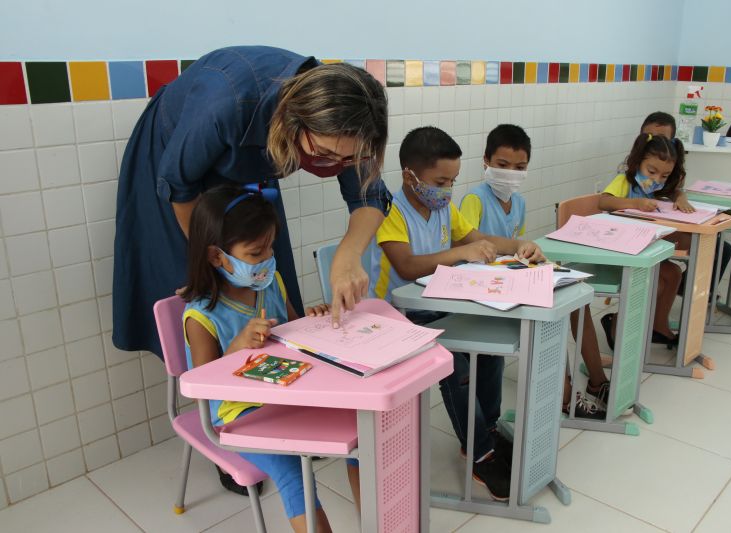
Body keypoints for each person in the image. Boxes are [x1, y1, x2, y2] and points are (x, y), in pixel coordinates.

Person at [113, 46, 391, 363]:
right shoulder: (227, 104)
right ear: (292, 120)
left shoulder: (354, 116)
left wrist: (348, 256)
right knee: (209, 298)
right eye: (324, 153)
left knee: (261, 275)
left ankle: (276, 395)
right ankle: (226, 407)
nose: (336, 166)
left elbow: (368, 195)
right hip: (179, 182)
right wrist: (212, 260)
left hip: (245, 172)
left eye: (351, 158)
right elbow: (179, 184)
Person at [369, 126, 545, 502]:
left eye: (452, 181)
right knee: (455, 365)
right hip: (398, 314)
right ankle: (479, 450)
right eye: (440, 181)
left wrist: (520, 246)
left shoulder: (442, 206)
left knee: (491, 346)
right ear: (410, 176)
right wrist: (458, 255)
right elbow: (406, 266)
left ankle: (490, 429)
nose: (448, 190)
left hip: (439, 305)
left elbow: (478, 238)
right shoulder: (390, 212)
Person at [182, 185, 358, 533]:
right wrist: (237, 348)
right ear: (217, 257)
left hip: (290, 393)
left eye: (270, 247)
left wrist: (314, 320)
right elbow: (204, 386)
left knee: (362, 438)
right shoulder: (200, 316)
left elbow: (292, 334)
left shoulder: (270, 281)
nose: (266, 258)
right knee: (292, 471)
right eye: (254, 252)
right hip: (238, 413)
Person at [461, 124, 608, 419]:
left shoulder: (519, 202)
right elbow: (465, 241)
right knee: (549, 315)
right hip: (484, 287)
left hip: (512, 278)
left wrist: (530, 254)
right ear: (486, 161)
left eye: (520, 167)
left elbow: (519, 248)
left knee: (576, 301)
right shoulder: (474, 199)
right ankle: (565, 396)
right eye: (503, 165)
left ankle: (598, 381)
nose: (511, 173)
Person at [598, 133, 687, 348]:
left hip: (641, 250)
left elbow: (675, 191)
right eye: (652, 171)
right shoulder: (624, 182)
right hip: (619, 251)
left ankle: (658, 324)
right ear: (637, 163)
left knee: (674, 273)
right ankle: (618, 322)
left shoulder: (655, 187)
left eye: (664, 176)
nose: (656, 180)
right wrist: (634, 203)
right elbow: (603, 201)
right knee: (653, 280)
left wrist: (681, 197)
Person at [635, 112, 731, 299]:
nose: (654, 143)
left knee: (719, 246)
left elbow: (669, 190)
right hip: (644, 233)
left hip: (662, 225)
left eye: (661, 139)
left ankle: (694, 292)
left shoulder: (668, 166)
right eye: (649, 138)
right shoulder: (636, 167)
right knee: (707, 245)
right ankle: (692, 293)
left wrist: (680, 196)